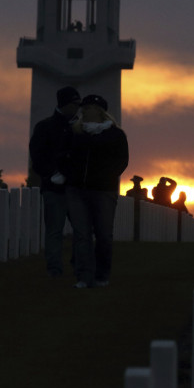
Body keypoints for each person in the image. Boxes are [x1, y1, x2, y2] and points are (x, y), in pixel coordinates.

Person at [66, 95, 129, 288]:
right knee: (82, 234)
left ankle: (102, 275)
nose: (85, 111)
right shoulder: (75, 133)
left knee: (103, 234)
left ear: (100, 111)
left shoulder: (115, 135)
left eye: (90, 108)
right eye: (84, 108)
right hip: (77, 190)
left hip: (103, 191)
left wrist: (106, 176)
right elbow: (65, 156)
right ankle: (84, 276)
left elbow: (121, 161)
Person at [29, 86, 81, 277]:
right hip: (54, 188)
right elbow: (38, 156)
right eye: (74, 105)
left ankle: (79, 264)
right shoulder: (45, 127)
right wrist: (53, 173)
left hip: (76, 189)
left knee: (81, 230)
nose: (77, 109)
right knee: (54, 231)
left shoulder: (79, 128)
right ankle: (54, 268)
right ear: (65, 104)